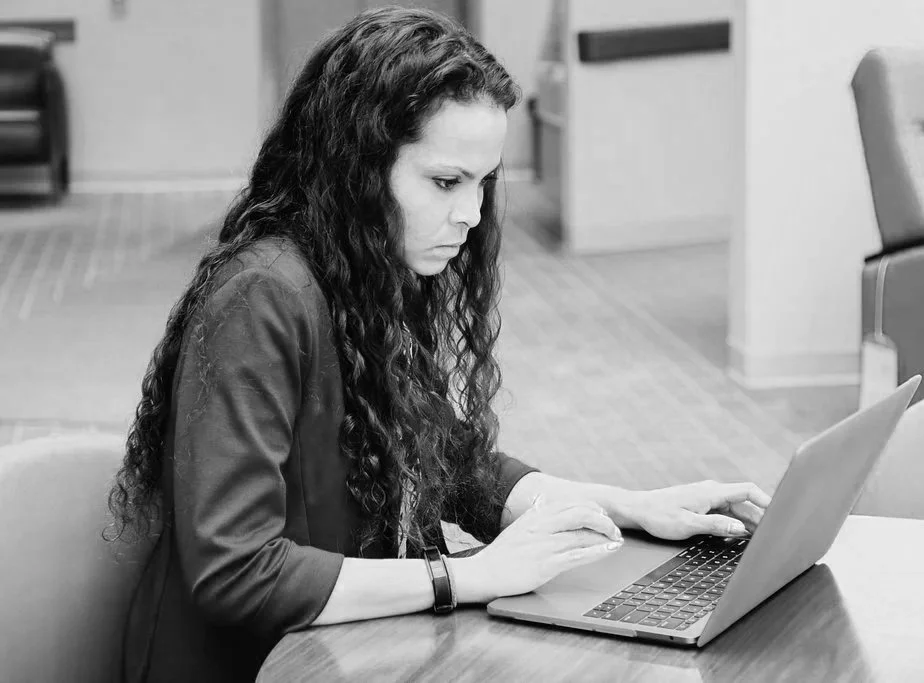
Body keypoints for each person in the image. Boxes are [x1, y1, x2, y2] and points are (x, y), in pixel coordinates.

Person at [106, 7, 771, 682]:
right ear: (357, 168)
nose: (472, 215)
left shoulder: (365, 267)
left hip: (350, 652)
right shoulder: (262, 297)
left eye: (484, 182)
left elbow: (453, 465)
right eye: (446, 182)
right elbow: (237, 570)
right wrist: (462, 576)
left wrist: (628, 506)